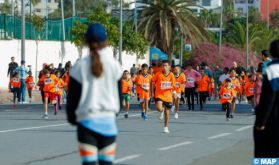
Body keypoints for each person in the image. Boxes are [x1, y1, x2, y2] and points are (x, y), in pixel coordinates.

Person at [66, 23, 122, 165]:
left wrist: (73, 119)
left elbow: (72, 98)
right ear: (106, 41)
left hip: (86, 124)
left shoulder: (79, 66)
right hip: (108, 123)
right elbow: (119, 97)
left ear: (86, 41)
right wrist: (113, 113)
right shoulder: (114, 65)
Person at [254, 39, 279, 158]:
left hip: (274, 117)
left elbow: (268, 98)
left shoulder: (271, 69)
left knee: (264, 153)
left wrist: (262, 121)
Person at [151, 60, 175, 133]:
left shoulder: (171, 75)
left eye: (166, 66)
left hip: (168, 96)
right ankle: (161, 110)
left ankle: (166, 127)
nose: (164, 67)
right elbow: (152, 81)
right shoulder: (158, 74)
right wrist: (152, 92)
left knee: (167, 113)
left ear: (169, 67)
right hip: (159, 94)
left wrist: (170, 89)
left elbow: (173, 85)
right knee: (158, 107)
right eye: (163, 66)